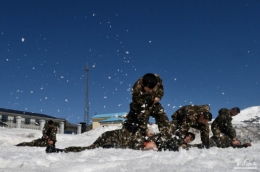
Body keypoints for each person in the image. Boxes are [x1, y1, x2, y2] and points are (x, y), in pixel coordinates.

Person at [46, 127, 152, 153]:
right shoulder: (140, 138)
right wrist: (145, 147)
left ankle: (58, 151)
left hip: (109, 136)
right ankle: (59, 151)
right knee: (92, 149)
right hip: (111, 138)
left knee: (88, 148)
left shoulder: (141, 135)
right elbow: (133, 144)